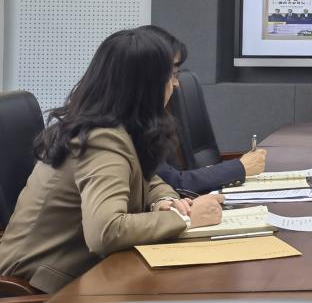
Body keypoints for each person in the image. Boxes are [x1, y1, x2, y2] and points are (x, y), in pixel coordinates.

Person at [0, 29, 223, 293]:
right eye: (171, 76)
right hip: (37, 288)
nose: (176, 85)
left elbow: (147, 178)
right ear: (145, 85)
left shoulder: (118, 128)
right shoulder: (100, 139)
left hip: (83, 275)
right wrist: (185, 219)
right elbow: (105, 231)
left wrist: (163, 200)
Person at [137, 26, 266, 195]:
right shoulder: (129, 127)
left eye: (176, 73)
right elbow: (174, 183)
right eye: (172, 74)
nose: (176, 84)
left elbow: (173, 179)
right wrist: (240, 167)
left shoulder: (156, 119)